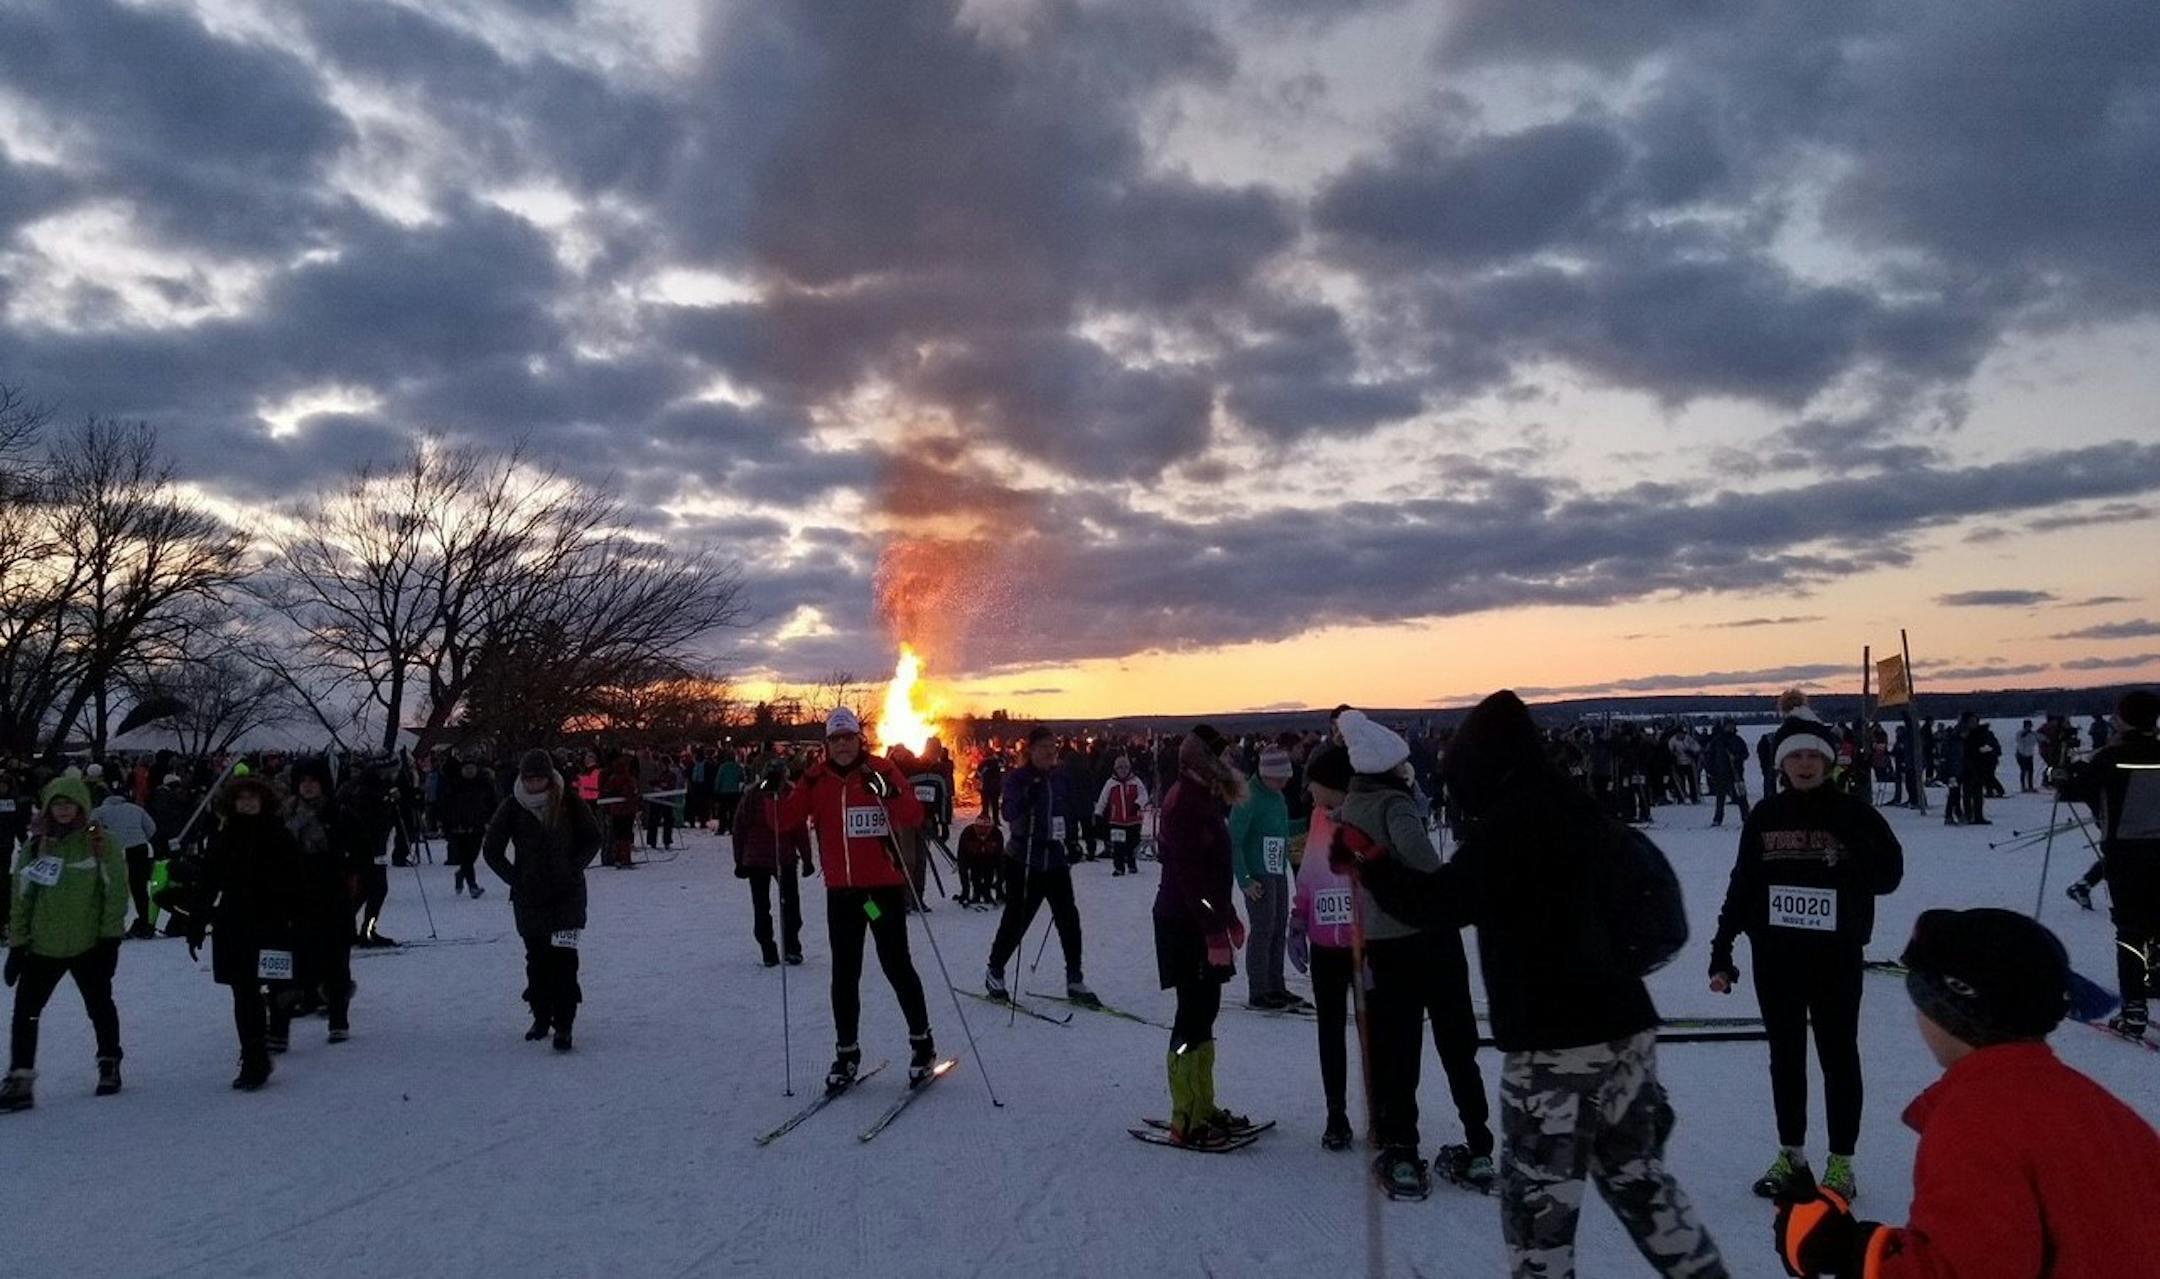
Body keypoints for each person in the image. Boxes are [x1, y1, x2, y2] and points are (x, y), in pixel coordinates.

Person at [1349, 691, 1725, 1277]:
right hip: (1627, 1031)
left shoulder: (1510, 829)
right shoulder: (1581, 809)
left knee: (1538, 1218)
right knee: (1639, 1182)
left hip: (1554, 1048)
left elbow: (1439, 902)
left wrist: (1371, 866)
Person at [1772, 908, 2160, 1278]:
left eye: (1921, 996)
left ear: (1951, 1009)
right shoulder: (2101, 1110)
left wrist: (1846, 1251)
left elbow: (1964, 1270)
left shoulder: (1980, 1121)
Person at [1708, 700, 1904, 1201]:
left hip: (1834, 957)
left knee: (1838, 1057)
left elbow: (1889, 877)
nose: (1803, 765)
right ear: (1781, 764)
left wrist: (1856, 845)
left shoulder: (1853, 812)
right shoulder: (1766, 816)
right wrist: (1722, 950)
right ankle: (1792, 1155)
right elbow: (1743, 884)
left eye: (1813, 757)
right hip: (1775, 959)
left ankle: (1841, 1163)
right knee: (1785, 1058)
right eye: (1794, 758)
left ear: (1828, 761)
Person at [1336, 709, 1492, 1200]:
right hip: (1429, 939)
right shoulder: (1394, 805)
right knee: (1455, 1042)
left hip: (1383, 943)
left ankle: (1402, 1150)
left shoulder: (1348, 812)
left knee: (1398, 1048)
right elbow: (1424, 862)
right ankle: (1479, 1144)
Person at [778, 709, 940, 1088]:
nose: (843, 745)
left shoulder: (881, 769)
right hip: (844, 895)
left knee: (896, 965)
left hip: (880, 891)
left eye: (848, 738)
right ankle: (846, 1053)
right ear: (827, 745)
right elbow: (785, 821)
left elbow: (913, 815)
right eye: (836, 740)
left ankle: (922, 1044)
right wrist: (771, 791)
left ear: (859, 739)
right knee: (844, 975)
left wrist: (892, 792)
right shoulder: (815, 779)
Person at [2, 776, 128, 1111]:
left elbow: (114, 893)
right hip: (44, 946)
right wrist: (18, 944)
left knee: (99, 1006)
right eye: (57, 804)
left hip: (88, 945)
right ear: (47, 808)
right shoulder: (35, 846)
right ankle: (20, 1076)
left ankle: (109, 1061)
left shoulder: (100, 843)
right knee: (26, 1013)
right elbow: (22, 897)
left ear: (81, 807)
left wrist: (109, 939)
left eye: (69, 804)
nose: (63, 810)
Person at [1152, 726, 1248, 1148]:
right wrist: (1214, 928)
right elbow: (1191, 881)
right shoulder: (1184, 803)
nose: (1229, 763)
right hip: (1183, 923)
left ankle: (1202, 1105)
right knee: (1191, 1015)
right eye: (1221, 756)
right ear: (1204, 761)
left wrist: (1227, 916)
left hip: (1201, 920)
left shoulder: (1202, 796)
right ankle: (1184, 1116)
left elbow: (1213, 874)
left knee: (1205, 1011)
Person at [483, 750, 602, 1051]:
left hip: (567, 897)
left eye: (540, 778)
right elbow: (492, 850)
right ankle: (540, 1016)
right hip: (530, 898)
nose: (535, 784)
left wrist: (573, 867)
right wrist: (515, 879)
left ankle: (564, 1024)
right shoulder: (512, 806)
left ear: (550, 778)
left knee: (564, 961)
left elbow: (593, 837)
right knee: (537, 961)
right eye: (530, 779)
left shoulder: (569, 802)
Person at [2059, 689, 2160, 1038]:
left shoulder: (2111, 757)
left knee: (2130, 931)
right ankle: (2154, 979)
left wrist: (2063, 773)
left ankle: (2134, 1009)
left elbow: (2072, 788)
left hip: (2126, 854)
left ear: (2123, 719)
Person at [190, 775, 302, 1090]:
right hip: (235, 921)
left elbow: (297, 879)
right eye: (242, 799)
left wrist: (296, 916)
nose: (248, 803)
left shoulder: (279, 834)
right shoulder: (224, 836)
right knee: (244, 992)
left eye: (254, 797)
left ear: (264, 801)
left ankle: (277, 1025)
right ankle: (254, 1056)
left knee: (278, 985)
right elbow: (208, 879)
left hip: (272, 921)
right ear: (233, 804)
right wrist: (197, 921)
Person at [984, 727, 1098, 1007]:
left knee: (1068, 920)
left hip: (1055, 859)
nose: (1050, 752)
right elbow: (1008, 813)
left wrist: (1072, 840)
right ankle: (995, 970)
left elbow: (1067, 811)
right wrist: (1027, 798)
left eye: (1053, 746)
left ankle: (1074, 978)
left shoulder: (1060, 777)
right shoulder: (1017, 778)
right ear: (1030, 750)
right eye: (1044, 746)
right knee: (1017, 919)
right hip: (1024, 859)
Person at [1288, 744, 1358, 1151]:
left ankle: (1384, 1110)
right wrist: (1299, 918)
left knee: (1372, 1033)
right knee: (1330, 1029)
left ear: (1332, 784)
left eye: (1313, 783)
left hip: (1362, 946)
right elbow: (1311, 873)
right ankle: (1336, 1113)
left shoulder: (1364, 819)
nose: (1308, 791)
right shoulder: (1316, 818)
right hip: (1324, 945)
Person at [284, 760, 355, 1043]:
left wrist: (346, 870)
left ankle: (339, 1017)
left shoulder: (338, 813)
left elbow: (358, 849)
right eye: (303, 781)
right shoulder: (286, 815)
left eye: (313, 780)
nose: (308, 786)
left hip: (332, 895)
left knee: (337, 958)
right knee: (299, 955)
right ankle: (306, 997)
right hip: (297, 896)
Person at [1232, 746, 1301, 1011]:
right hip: (1258, 873)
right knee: (1263, 929)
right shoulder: (1248, 798)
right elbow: (1235, 842)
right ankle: (1258, 990)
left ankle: (1276, 985)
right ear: (1265, 774)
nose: (1284, 782)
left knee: (1278, 927)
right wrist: (1245, 880)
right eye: (1279, 778)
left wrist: (1310, 822)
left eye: (1286, 777)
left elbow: (1283, 830)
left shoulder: (1276, 796)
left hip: (1276, 870)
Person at [732, 758, 810, 967]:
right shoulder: (779, 794)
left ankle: (774, 948)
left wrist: (739, 860)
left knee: (765, 906)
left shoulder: (753, 794)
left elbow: (739, 829)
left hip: (763, 858)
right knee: (787, 904)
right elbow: (799, 829)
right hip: (777, 857)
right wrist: (807, 857)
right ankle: (787, 947)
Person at [93, 787, 159, 939]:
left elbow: (90, 826)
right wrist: (141, 838)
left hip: (116, 851)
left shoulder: (100, 811)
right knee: (139, 889)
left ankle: (112, 926)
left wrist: (97, 838)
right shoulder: (136, 809)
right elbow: (152, 828)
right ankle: (146, 923)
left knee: (115, 888)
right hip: (139, 849)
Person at [441, 758, 496, 900]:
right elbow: (445, 806)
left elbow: (492, 803)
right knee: (465, 856)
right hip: (458, 827)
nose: (470, 771)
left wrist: (490, 819)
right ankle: (473, 885)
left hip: (477, 825)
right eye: (467, 769)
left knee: (473, 856)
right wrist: (446, 824)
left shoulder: (484, 784)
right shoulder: (454, 785)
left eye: (472, 768)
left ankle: (461, 874)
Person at [1093, 754, 1149, 877]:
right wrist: (1098, 813)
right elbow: (1103, 799)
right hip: (1116, 820)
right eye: (1120, 768)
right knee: (1118, 846)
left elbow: (1144, 795)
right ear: (1115, 769)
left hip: (1134, 820)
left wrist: (1138, 805)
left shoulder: (1136, 781)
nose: (1123, 771)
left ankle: (1131, 863)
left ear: (1129, 769)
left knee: (1132, 844)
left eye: (1125, 768)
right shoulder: (1111, 783)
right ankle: (1119, 867)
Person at [955, 812, 1004, 908]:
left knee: (999, 865)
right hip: (972, 859)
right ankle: (975, 891)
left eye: (986, 829)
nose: (983, 832)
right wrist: (965, 891)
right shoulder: (967, 833)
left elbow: (1000, 860)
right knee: (969, 867)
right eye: (980, 828)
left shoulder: (997, 834)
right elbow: (962, 859)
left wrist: (999, 890)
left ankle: (987, 892)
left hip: (990, 860)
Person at [1959, 712, 2001, 824]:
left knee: (1978, 794)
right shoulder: (1962, 734)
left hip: (1981, 767)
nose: (1973, 723)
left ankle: (1978, 816)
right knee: (1967, 793)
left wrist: (1988, 751)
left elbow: (1994, 748)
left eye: (1975, 721)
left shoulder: (1984, 733)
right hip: (1967, 768)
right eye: (1971, 721)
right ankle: (1968, 815)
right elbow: (1961, 751)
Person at [600, 754, 640, 869]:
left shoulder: (612, 779)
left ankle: (617, 858)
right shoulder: (628, 779)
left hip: (615, 810)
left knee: (617, 835)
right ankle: (625, 859)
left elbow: (607, 792)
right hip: (627, 811)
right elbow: (630, 794)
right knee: (625, 836)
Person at [2014, 719, 2039, 792]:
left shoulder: (2033, 734)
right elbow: (2018, 740)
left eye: (2030, 726)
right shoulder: (2020, 733)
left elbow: (2040, 738)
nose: (2029, 728)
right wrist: (2024, 735)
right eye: (2027, 726)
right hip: (2021, 754)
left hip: (2029, 755)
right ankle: (2023, 787)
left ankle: (2030, 786)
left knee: (2031, 771)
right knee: (2024, 770)